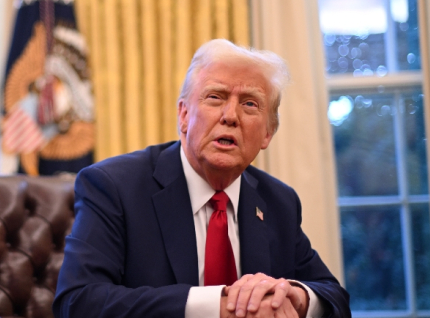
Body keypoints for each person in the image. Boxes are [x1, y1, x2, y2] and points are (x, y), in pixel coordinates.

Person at [53, 39, 351, 318]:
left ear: (268, 133)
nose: (230, 116)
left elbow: (335, 297)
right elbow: (78, 301)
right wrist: (218, 305)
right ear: (183, 116)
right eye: (215, 97)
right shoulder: (114, 186)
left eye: (249, 104)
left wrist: (295, 296)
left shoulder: (278, 201)